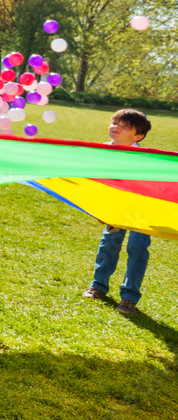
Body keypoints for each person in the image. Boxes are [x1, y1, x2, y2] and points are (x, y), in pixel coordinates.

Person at [81, 108, 153, 314]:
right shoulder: (101, 151)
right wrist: (104, 210)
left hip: (141, 209)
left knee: (137, 249)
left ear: (138, 136)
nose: (116, 128)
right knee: (109, 244)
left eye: (124, 127)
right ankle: (98, 286)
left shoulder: (145, 157)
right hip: (115, 208)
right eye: (114, 123)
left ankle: (129, 297)